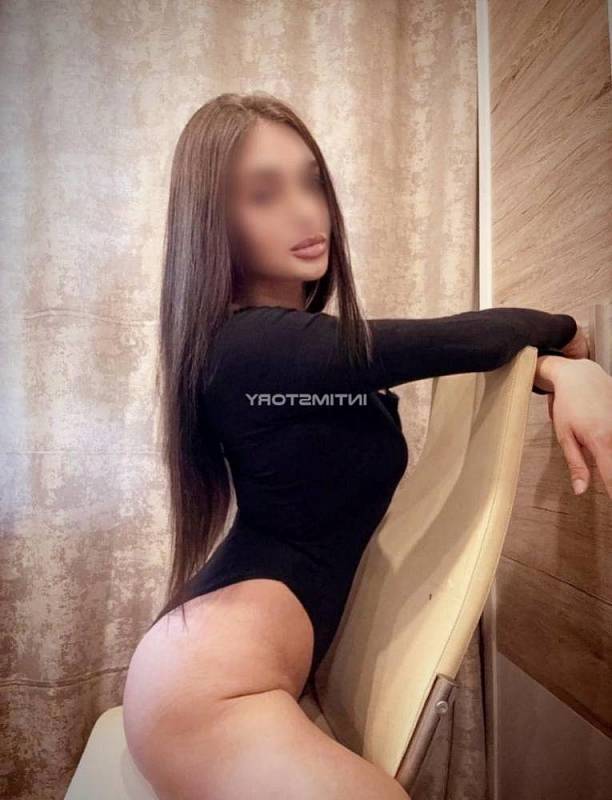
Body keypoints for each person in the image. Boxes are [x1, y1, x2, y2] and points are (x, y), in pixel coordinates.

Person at [122, 92, 610, 800]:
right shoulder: (250, 344)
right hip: (210, 694)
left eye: (311, 181)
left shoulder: (294, 357)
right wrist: (569, 341)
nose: (305, 211)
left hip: (224, 672)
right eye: (265, 194)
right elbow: (469, 338)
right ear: (215, 224)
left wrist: (557, 373)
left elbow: (466, 360)